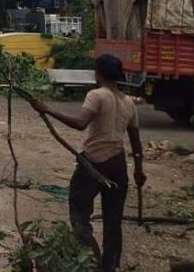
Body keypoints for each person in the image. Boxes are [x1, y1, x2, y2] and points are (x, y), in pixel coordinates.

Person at [32, 54, 145, 272]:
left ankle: (90, 261)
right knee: (114, 221)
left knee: (79, 214)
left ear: (98, 73)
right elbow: (136, 144)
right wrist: (139, 170)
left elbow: (80, 123)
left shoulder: (97, 95)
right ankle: (110, 266)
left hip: (93, 164)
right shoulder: (129, 102)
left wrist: (47, 109)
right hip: (118, 165)